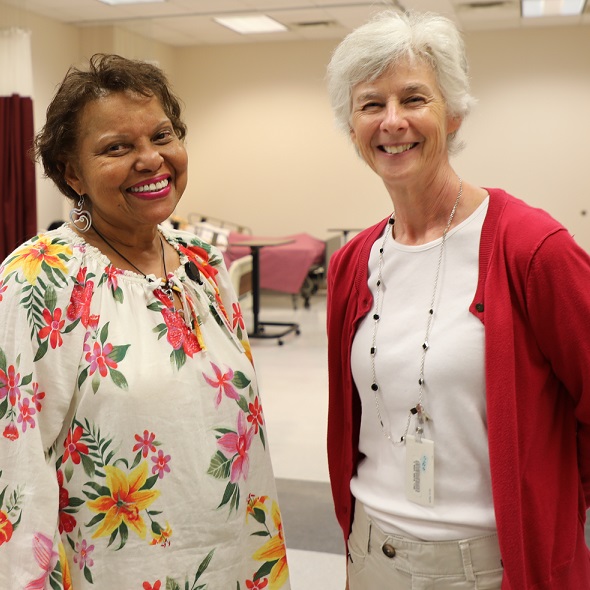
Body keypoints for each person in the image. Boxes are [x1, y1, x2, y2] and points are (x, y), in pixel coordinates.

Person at [0, 54, 290, 590]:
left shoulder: (203, 265)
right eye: (117, 147)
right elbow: (14, 467)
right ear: (72, 173)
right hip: (121, 572)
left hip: (235, 561)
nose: (151, 159)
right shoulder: (38, 280)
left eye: (163, 135)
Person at [325, 10, 590, 590]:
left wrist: (553, 508)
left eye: (413, 98)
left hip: (495, 565)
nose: (393, 121)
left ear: (454, 112)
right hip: (370, 553)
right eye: (371, 104)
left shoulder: (532, 249)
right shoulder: (351, 265)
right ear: (352, 127)